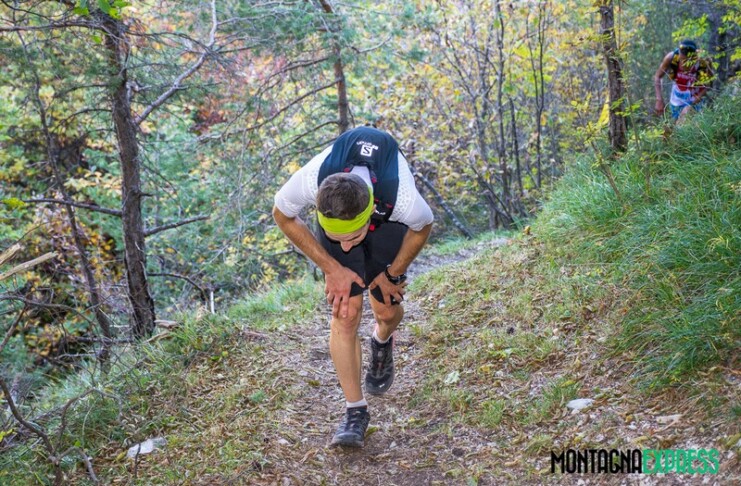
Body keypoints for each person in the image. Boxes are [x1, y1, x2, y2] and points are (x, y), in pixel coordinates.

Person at [272, 126, 434, 447]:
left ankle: (381, 340)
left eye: (352, 238)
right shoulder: (312, 179)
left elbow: (424, 225)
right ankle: (355, 411)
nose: (346, 247)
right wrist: (332, 267)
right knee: (345, 312)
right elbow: (282, 214)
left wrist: (392, 274)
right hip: (349, 213)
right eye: (338, 239)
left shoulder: (401, 198)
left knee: (386, 310)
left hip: (386, 223)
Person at [654, 39, 714, 123]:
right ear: (679, 52)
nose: (684, 65)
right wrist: (659, 99)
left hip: (696, 98)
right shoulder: (671, 58)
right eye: (682, 60)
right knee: (671, 125)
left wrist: (691, 105)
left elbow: (708, 84)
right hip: (677, 97)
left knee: (685, 123)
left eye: (688, 61)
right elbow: (657, 76)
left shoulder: (703, 61)